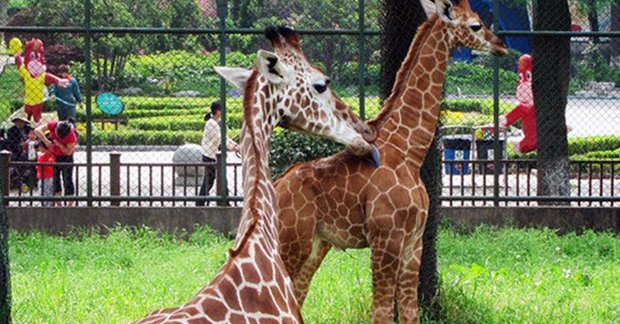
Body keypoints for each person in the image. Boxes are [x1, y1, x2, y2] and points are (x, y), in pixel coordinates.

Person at [196, 101, 240, 207]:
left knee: (218, 179)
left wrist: (235, 145)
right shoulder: (211, 123)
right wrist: (233, 147)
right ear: (217, 111)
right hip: (210, 156)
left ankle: (223, 202)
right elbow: (220, 139)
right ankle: (200, 203)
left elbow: (224, 138)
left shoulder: (216, 122)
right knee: (209, 181)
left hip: (215, 156)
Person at [35, 118, 77, 206]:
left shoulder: (72, 135)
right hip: (54, 155)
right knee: (55, 178)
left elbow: (68, 152)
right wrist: (46, 141)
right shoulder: (53, 125)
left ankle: (70, 202)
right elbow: (37, 130)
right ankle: (58, 201)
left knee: (67, 178)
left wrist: (59, 144)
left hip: (66, 157)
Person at [35, 141, 55, 207]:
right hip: (48, 176)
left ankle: (46, 204)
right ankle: (49, 204)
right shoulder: (51, 156)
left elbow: (38, 166)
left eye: (40, 147)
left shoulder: (43, 156)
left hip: (45, 176)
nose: (39, 149)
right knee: (49, 191)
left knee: (44, 191)